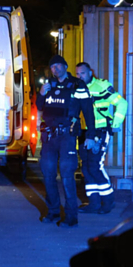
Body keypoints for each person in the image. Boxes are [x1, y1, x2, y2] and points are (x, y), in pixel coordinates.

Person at [36, 55, 95, 227]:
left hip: (67, 136)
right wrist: (41, 93)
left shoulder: (77, 85)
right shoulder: (49, 85)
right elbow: (40, 106)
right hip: (49, 136)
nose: (55, 69)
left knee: (67, 175)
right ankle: (53, 212)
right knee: (48, 174)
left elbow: (88, 112)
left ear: (65, 66)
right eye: (52, 66)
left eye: (58, 65)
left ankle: (71, 216)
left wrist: (91, 135)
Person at [75, 61, 128, 214]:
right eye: (77, 74)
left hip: (100, 131)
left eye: (82, 73)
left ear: (90, 72)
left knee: (95, 167)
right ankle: (94, 203)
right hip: (84, 133)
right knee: (85, 168)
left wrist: (116, 123)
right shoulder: (77, 87)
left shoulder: (102, 86)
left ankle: (109, 201)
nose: (80, 76)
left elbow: (122, 103)